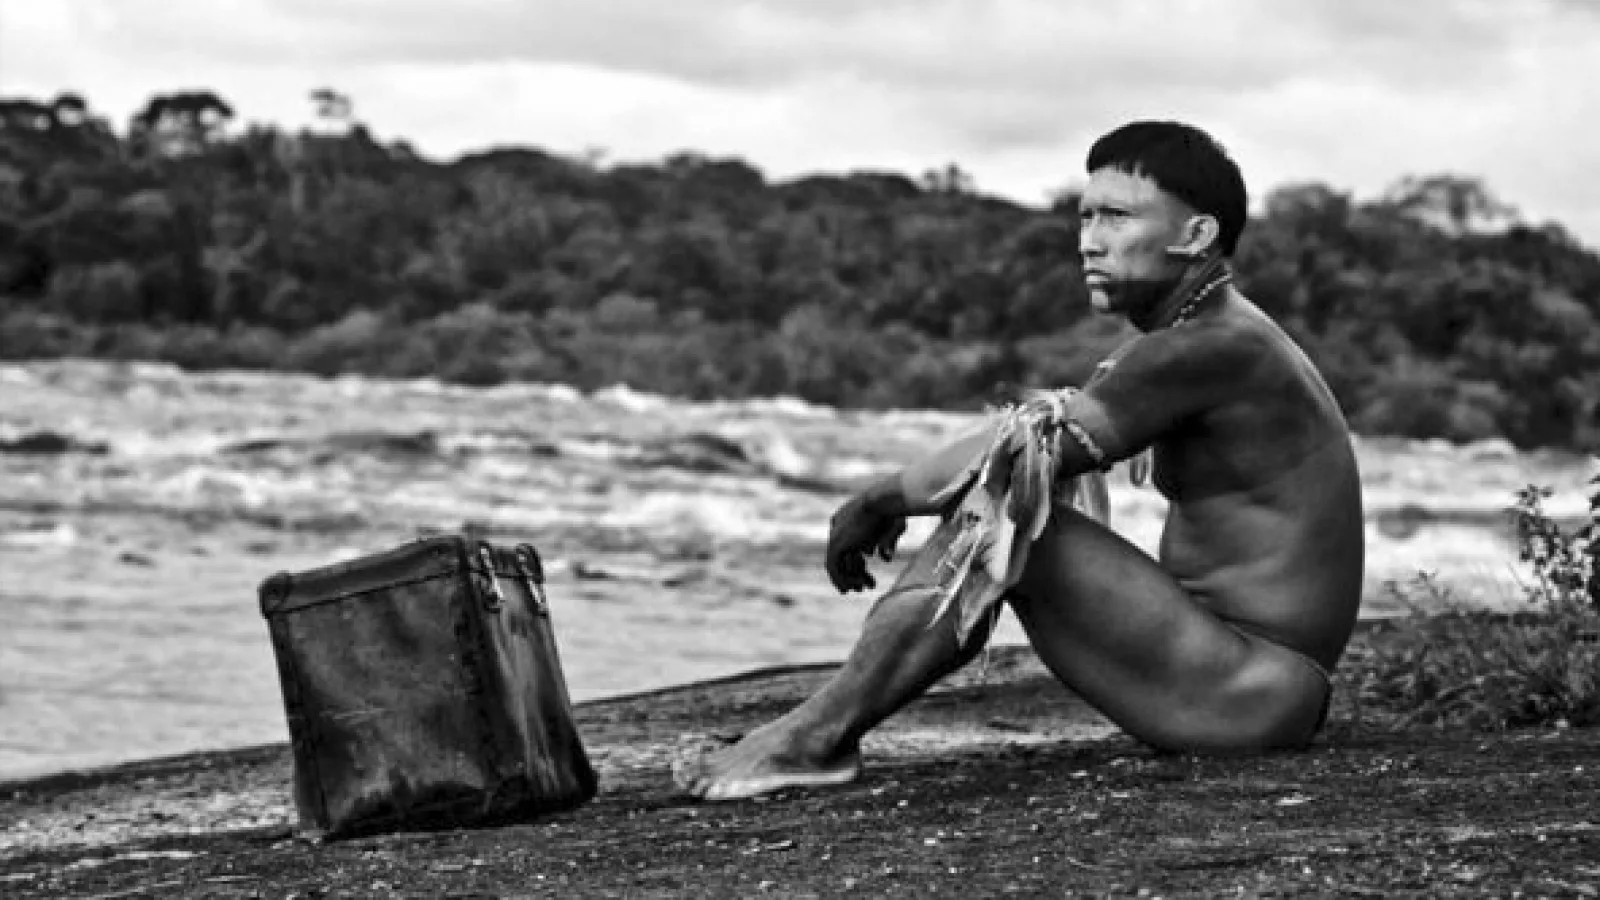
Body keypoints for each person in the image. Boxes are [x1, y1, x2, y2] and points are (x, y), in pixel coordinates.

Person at [674, 121, 1365, 801]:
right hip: (1248, 681)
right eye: (1085, 216)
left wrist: (878, 500)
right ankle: (820, 732)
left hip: (1250, 691)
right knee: (1012, 502)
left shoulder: (1210, 345)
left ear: (1195, 235)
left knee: (1009, 517)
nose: (1089, 240)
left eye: (1117, 216)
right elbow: (1043, 433)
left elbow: (1021, 453)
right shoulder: (1215, 333)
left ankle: (816, 737)